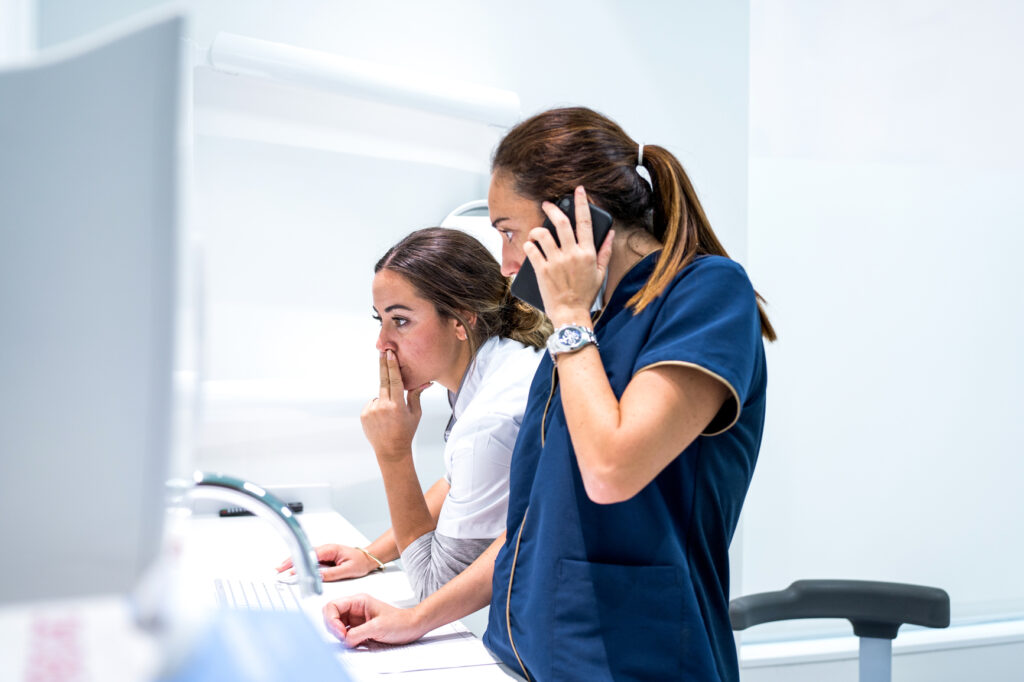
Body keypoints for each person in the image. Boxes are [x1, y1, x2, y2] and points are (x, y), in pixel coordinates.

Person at [322, 107, 776, 682]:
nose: (507, 263)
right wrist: (417, 618)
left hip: (640, 662)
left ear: (576, 216)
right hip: (526, 658)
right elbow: (527, 529)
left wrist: (568, 315)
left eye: (509, 232)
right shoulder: (584, 335)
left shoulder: (705, 292)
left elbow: (612, 469)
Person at [279, 227, 547, 601]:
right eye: (381, 320)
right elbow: (456, 484)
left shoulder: (488, 421)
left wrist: (394, 454)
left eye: (401, 320)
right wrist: (371, 554)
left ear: (461, 321)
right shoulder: (502, 363)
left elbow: (433, 586)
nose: (381, 343)